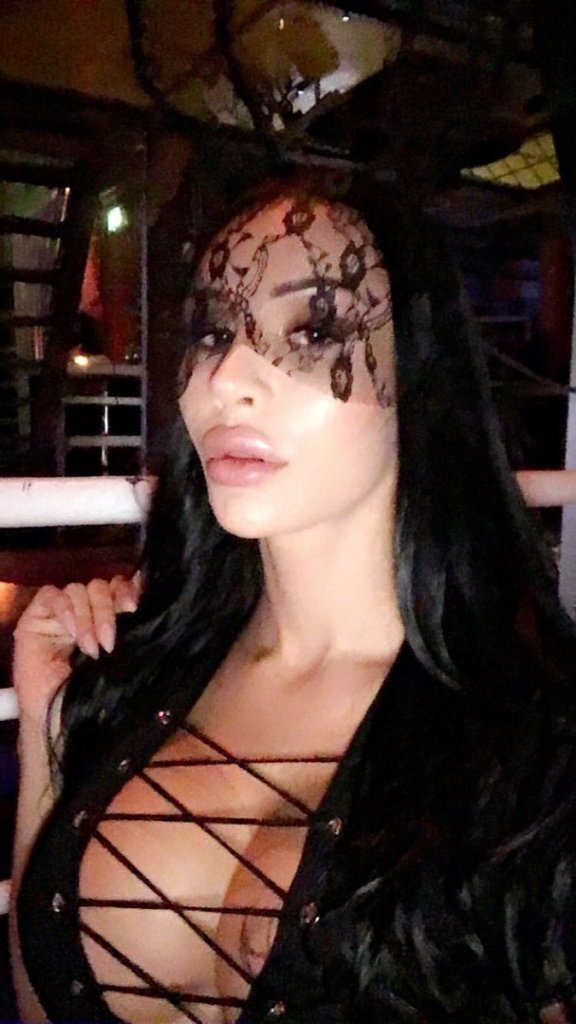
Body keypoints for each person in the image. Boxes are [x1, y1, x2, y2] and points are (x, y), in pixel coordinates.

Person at [10, 170, 576, 1024]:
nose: (226, 379)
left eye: (313, 330)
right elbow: (43, 999)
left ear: (417, 375)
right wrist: (47, 733)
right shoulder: (135, 665)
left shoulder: (536, 738)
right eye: (212, 331)